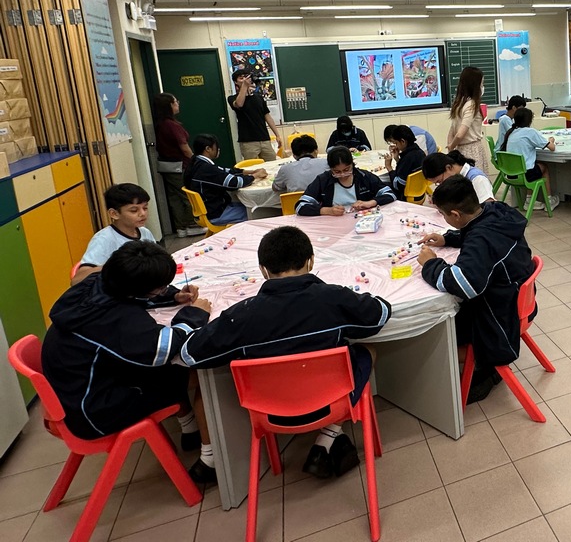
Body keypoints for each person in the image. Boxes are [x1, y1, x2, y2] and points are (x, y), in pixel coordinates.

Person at [179, 226, 391, 481]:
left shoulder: (241, 315)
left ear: (263, 270)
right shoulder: (333, 298)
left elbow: (191, 353)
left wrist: (193, 314)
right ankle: (329, 434)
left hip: (268, 412)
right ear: (311, 261)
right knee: (367, 350)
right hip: (333, 403)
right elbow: (380, 313)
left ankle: (325, 438)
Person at [41, 241, 210, 443]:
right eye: (160, 288)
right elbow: (162, 349)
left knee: (166, 370)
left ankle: (190, 428)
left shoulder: (98, 282)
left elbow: (136, 296)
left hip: (76, 390)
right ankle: (208, 452)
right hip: (94, 412)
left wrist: (173, 296)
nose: (163, 290)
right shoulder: (115, 316)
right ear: (135, 291)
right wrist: (195, 314)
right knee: (190, 372)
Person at [416, 175, 535, 403]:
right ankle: (484, 366)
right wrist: (448, 238)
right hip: (516, 299)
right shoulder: (495, 210)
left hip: (498, 317)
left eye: (443, 214)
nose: (443, 218)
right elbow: (475, 231)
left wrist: (431, 264)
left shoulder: (481, 239)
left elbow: (465, 286)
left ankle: (483, 367)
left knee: (434, 328)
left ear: (455, 215)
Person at [72, 184, 159, 286]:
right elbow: (76, 280)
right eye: (134, 210)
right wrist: (116, 266)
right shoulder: (103, 239)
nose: (142, 214)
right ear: (114, 214)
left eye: (145, 208)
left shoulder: (145, 232)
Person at [184, 133, 267, 225]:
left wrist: (249, 171)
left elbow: (223, 171)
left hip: (210, 209)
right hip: (217, 214)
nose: (218, 149)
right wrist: (255, 176)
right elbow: (235, 183)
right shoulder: (206, 169)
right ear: (208, 149)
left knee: (250, 205)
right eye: (216, 147)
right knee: (261, 211)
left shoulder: (195, 162)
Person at [153, 93, 205, 238]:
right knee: (186, 195)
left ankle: (180, 227)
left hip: (167, 167)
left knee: (174, 197)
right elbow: (184, 147)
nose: (178, 104)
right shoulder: (172, 125)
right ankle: (191, 224)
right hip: (179, 165)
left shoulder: (161, 124)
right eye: (175, 101)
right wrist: (196, 161)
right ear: (169, 105)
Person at [296, 146, 396, 216]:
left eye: (346, 170)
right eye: (337, 172)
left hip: (363, 220)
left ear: (352, 164)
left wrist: (370, 203)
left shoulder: (364, 176)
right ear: (331, 169)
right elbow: (300, 206)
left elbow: (390, 194)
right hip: (333, 224)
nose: (343, 174)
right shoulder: (323, 180)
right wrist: (327, 210)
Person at [228, 68, 283, 161]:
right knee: (252, 166)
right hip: (248, 141)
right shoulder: (232, 98)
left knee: (272, 163)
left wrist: (277, 135)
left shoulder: (258, 97)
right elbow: (239, 104)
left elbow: (267, 116)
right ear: (235, 82)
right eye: (241, 78)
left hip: (264, 138)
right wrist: (244, 86)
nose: (244, 79)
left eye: (246, 77)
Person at [446, 66, 491, 175]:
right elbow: (460, 134)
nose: (482, 87)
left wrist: (451, 148)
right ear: (475, 85)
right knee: (476, 180)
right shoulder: (471, 105)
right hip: (472, 150)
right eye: (481, 83)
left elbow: (452, 131)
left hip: (460, 149)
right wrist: (451, 146)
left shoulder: (459, 103)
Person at [422, 149, 495, 203]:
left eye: (440, 181)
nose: (441, 185)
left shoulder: (477, 179)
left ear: (448, 168)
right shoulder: (455, 179)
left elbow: (489, 207)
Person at [384, 124, 426, 200]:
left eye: (396, 143)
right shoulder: (420, 152)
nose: (396, 146)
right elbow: (406, 171)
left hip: (406, 195)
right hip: (420, 192)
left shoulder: (408, 158)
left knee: (379, 185)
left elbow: (398, 185)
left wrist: (389, 167)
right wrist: (397, 159)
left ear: (402, 141)